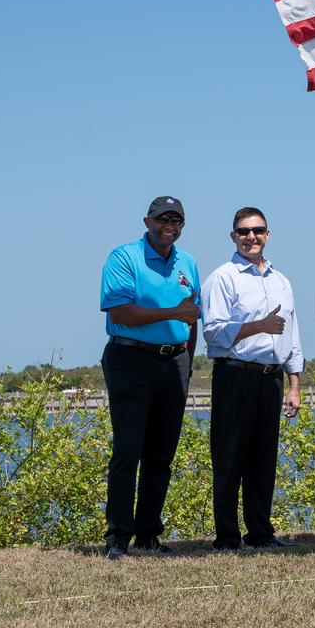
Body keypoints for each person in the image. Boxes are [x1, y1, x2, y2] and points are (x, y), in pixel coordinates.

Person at [97, 195, 201, 560]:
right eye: (162, 219)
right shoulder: (124, 258)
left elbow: (191, 321)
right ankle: (117, 538)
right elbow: (121, 312)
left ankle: (148, 535)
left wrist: (187, 364)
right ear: (147, 221)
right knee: (128, 451)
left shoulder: (188, 263)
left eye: (176, 221)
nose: (168, 226)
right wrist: (172, 311)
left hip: (173, 364)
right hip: (130, 358)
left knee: (161, 455)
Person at [201, 207, 304, 552]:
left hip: (270, 379)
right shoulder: (223, 278)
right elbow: (213, 334)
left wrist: (293, 386)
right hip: (235, 376)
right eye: (243, 232)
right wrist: (258, 326)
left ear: (268, 234)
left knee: (263, 459)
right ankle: (227, 537)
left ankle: (260, 532)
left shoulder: (282, 281)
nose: (251, 238)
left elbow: (293, 337)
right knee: (230, 458)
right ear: (233, 236)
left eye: (257, 231)